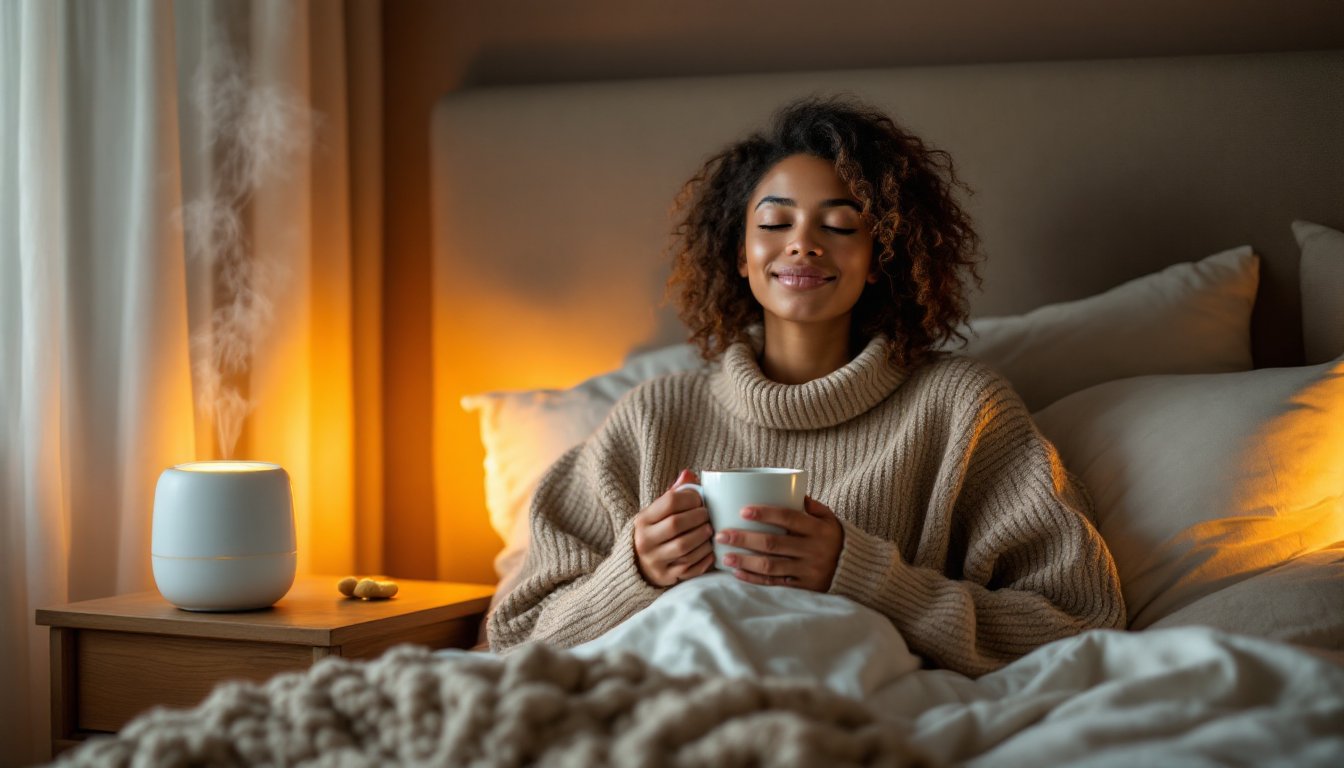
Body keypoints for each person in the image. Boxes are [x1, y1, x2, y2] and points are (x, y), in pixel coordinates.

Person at [487, 96, 1125, 676]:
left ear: (880, 258)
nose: (803, 245)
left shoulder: (962, 411)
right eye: (775, 223)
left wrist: (863, 575)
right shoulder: (652, 417)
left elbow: (1081, 620)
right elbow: (512, 636)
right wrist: (638, 573)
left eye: (841, 226)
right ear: (741, 255)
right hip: (668, 704)